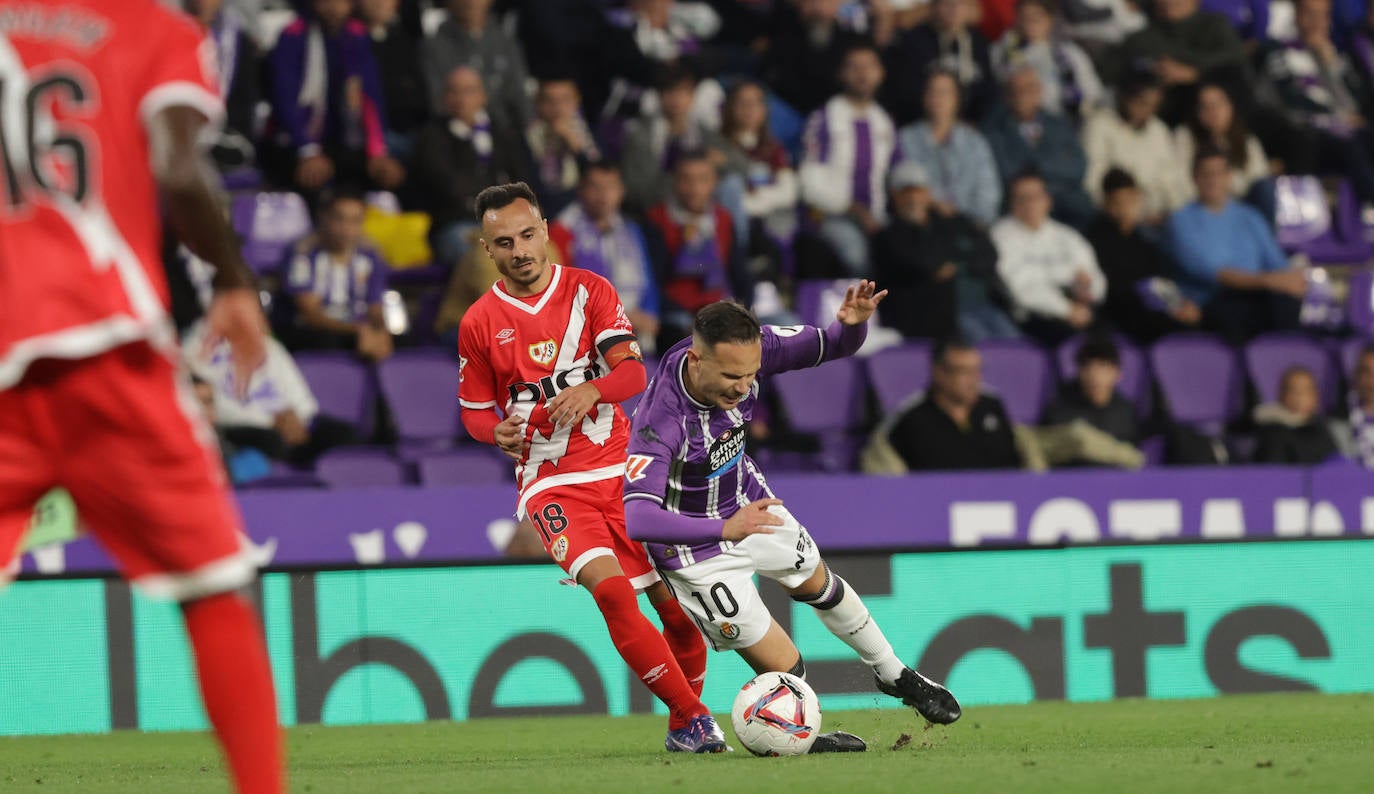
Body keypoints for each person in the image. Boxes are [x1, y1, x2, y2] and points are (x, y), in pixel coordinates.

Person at [0, 3, 282, 792]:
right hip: (106, 349)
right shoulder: (153, 29)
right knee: (214, 590)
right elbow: (178, 167)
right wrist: (232, 279)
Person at [621, 297, 962, 751]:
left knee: (818, 583)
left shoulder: (755, 347)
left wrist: (853, 325)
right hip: (695, 551)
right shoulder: (658, 420)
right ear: (696, 359)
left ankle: (893, 672)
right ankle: (805, 736)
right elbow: (639, 518)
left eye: (750, 375)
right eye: (730, 377)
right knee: (787, 669)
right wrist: (725, 530)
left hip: (748, 503)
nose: (743, 388)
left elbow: (833, 344)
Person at [457, 182, 726, 753]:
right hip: (551, 483)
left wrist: (592, 391)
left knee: (676, 613)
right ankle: (697, 718)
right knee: (612, 595)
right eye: (504, 243)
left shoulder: (589, 291)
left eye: (528, 235)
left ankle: (682, 725)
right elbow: (476, 412)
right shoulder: (479, 322)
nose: (521, 250)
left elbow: (632, 375)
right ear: (488, 250)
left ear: (546, 230)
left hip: (623, 472)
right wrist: (495, 432)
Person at [265, 0, 406, 194]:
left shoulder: (356, 34)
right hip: (297, 139)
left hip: (345, 137)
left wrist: (378, 151)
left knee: (388, 174)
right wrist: (307, 150)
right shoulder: (294, 34)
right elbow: (285, 99)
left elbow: (370, 96)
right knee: (311, 174)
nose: (333, 8)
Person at [1165, 149, 1303, 342]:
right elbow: (1216, 274)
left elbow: (1279, 265)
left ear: (1229, 177)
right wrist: (1269, 281)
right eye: (1206, 174)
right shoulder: (1180, 221)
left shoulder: (1250, 217)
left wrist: (1287, 281)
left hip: (1256, 296)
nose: (1213, 180)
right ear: (1194, 178)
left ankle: (1286, 356)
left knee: (1286, 300)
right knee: (1237, 310)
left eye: (1219, 173)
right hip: (1211, 302)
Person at [871, 161, 1016, 341]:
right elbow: (921, 264)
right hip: (934, 317)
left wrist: (956, 263)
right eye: (905, 192)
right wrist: (957, 257)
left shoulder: (949, 222)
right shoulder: (888, 235)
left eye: (918, 191)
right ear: (894, 196)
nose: (913, 198)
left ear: (928, 194)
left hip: (984, 304)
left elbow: (988, 253)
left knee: (1018, 347)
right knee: (985, 349)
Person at [412, 67, 533, 268]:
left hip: (505, 224)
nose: (461, 98)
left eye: (468, 91)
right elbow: (449, 186)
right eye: (453, 91)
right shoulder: (432, 137)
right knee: (484, 259)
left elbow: (520, 181)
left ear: (483, 96)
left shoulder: (502, 134)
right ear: (444, 97)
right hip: (458, 224)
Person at [798, 42, 899, 277]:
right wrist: (852, 208)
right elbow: (809, 185)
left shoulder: (884, 121)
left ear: (881, 73)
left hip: (877, 219)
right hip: (831, 216)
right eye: (854, 67)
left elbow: (896, 174)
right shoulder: (824, 118)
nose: (863, 74)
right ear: (842, 74)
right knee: (857, 256)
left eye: (869, 67)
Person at [549, 163, 662, 352]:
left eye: (610, 187)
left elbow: (647, 282)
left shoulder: (630, 229)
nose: (603, 195)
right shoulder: (561, 233)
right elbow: (566, 293)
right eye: (595, 187)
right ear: (581, 190)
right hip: (586, 331)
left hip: (637, 327)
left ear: (621, 192)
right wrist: (624, 315)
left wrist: (650, 315)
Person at [1085, 169, 1202, 342]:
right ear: (1106, 204)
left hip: (1151, 308)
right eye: (1118, 203)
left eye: (1130, 201)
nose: (1126, 209)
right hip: (1120, 312)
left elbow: (1159, 279)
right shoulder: (1095, 241)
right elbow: (1112, 290)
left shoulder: (1144, 241)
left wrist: (1179, 304)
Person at [991, 172, 1106, 344]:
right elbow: (1022, 289)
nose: (1030, 204)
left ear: (1047, 200)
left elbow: (1095, 278)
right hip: (1035, 315)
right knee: (1073, 342)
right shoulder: (1000, 236)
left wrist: (1088, 292)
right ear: (1012, 203)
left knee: (1108, 338)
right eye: (1022, 198)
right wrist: (1067, 310)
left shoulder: (1068, 236)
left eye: (1036, 196)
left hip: (1079, 307)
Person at [281, 189, 395, 359]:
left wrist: (380, 332)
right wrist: (357, 330)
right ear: (324, 218)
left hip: (356, 330)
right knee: (328, 343)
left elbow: (375, 308)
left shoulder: (371, 256)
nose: (347, 229)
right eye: (339, 219)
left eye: (355, 221)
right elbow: (310, 314)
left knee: (407, 343)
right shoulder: (302, 254)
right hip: (317, 331)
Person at [982, 67, 1096, 229]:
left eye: (1029, 88)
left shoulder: (1059, 123)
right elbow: (1006, 171)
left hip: (1064, 201)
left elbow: (1079, 165)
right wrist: (1054, 165)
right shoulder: (994, 129)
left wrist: (1038, 169)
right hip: (1020, 202)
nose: (1023, 95)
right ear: (1007, 95)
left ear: (1039, 91)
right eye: (1016, 90)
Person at [887, 337, 1022, 470]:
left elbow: (1016, 461)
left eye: (977, 370)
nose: (974, 380)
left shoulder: (992, 406)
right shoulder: (912, 417)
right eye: (964, 372)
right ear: (939, 373)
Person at [897, 68, 1002, 226]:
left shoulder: (976, 143)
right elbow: (901, 188)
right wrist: (934, 206)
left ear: (957, 98)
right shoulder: (905, 139)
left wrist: (968, 222)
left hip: (968, 227)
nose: (938, 98)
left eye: (945, 92)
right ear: (924, 97)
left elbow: (988, 195)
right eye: (932, 91)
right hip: (919, 226)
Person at [1082, 73, 1192, 223]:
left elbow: (1173, 181)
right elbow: (1093, 183)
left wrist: (1173, 213)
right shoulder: (1099, 125)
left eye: (1153, 106)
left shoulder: (1158, 130)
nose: (1147, 111)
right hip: (1119, 216)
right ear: (1123, 98)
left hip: (1162, 216)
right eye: (1142, 103)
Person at [422, 0, 532, 130]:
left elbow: (520, 97)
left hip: (505, 134)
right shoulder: (432, 47)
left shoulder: (506, 43)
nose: (470, 2)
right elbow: (437, 102)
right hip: (454, 135)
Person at [1038, 335, 1145, 468]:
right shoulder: (1059, 410)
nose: (1094, 376)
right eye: (1087, 367)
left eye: (1102, 367)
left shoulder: (1126, 412)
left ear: (1117, 373)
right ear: (1079, 371)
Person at [883, 0, 996, 124]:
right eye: (947, 4)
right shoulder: (913, 42)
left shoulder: (979, 43)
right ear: (934, 7)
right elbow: (903, 93)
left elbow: (988, 91)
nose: (954, 9)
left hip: (969, 127)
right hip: (921, 124)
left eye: (961, 4)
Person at [990, 0, 1104, 120]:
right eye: (1024, 17)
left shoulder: (1069, 52)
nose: (1030, 22)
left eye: (1036, 17)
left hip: (1070, 119)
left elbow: (1093, 91)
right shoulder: (1004, 52)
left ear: (1050, 20)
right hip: (1026, 119)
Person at [527, 77, 603, 217]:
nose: (558, 107)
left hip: (583, 213)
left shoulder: (591, 135)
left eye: (565, 100)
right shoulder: (526, 138)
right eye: (549, 100)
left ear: (576, 101)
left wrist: (575, 146)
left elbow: (599, 177)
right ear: (538, 104)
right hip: (542, 212)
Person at [1252, 366, 1341, 463]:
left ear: (1316, 397)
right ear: (1281, 395)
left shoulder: (1322, 429)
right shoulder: (1273, 431)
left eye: (1305, 391)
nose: (1298, 398)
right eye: (1293, 391)